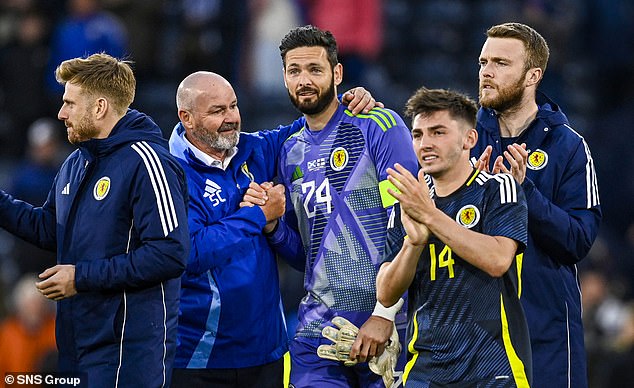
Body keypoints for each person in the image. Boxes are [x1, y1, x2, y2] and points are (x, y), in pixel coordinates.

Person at [168, 70, 379, 387]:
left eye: (234, 106)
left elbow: (311, 126)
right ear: (187, 117)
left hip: (267, 352)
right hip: (202, 357)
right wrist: (259, 215)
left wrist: (347, 101)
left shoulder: (255, 150)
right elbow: (191, 253)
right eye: (217, 111)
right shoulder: (170, 172)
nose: (231, 118)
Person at [0, 53, 190, 386]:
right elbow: (50, 229)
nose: (61, 114)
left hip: (127, 349)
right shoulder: (76, 162)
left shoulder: (147, 161)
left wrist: (81, 278)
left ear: (99, 107)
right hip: (77, 342)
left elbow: (169, 253)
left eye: (70, 104)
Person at [269, 25, 419, 387]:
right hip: (318, 330)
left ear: (337, 73)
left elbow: (408, 218)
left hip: (386, 327)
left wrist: (385, 313)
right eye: (294, 71)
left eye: (315, 70)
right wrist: (274, 230)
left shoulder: (377, 126)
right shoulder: (288, 151)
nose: (304, 80)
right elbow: (307, 253)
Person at [473, 22, 601, 388]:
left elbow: (577, 240)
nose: (486, 72)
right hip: (470, 337)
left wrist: (522, 190)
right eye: (483, 62)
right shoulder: (463, 139)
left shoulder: (569, 147)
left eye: (500, 63)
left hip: (544, 336)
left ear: (533, 76)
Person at [375, 87, 531, 386]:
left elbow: (498, 259)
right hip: (425, 370)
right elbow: (386, 291)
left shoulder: (498, 188)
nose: (425, 144)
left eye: (438, 132)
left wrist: (431, 216)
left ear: (469, 139)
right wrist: (414, 243)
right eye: (418, 135)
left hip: (493, 367)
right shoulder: (406, 207)